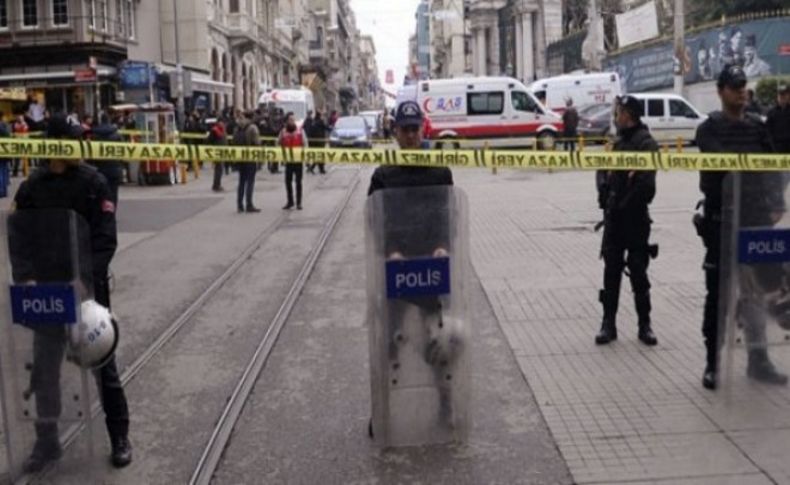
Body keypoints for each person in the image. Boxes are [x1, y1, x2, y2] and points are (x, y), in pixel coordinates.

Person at [12, 114, 132, 471]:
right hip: (46, 293)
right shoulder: (32, 187)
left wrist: (85, 279)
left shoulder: (94, 183)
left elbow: (105, 239)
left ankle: (120, 437)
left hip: (87, 291)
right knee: (43, 372)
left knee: (103, 367)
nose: (80, 145)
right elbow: (18, 236)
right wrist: (25, 277)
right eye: (73, 139)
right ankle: (46, 442)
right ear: (54, 145)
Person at [695, 64, 788, 390]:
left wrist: (778, 202)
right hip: (723, 220)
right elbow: (724, 163)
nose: (740, 92)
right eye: (733, 87)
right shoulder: (709, 129)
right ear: (721, 91)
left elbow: (774, 164)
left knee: (757, 295)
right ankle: (712, 362)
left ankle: (758, 360)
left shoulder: (758, 128)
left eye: (742, 86)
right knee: (718, 295)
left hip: (755, 219)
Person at [367, 100, 456, 424]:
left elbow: (449, 213)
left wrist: (443, 245)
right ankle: (384, 408)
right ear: (394, 132)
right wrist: (389, 251)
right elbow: (374, 220)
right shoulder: (384, 174)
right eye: (403, 129)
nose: (409, 135)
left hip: (430, 269)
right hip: (397, 269)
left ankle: (445, 402)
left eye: (414, 129)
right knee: (388, 338)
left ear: (422, 129)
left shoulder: (439, 170)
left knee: (438, 340)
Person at [594, 95, 659, 346]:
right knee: (611, 272)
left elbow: (646, 185)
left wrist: (624, 200)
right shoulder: (616, 142)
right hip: (614, 219)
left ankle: (645, 324)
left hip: (635, 218)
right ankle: (608, 323)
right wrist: (604, 194)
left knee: (639, 271)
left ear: (629, 114)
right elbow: (602, 171)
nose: (615, 116)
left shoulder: (646, 143)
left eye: (619, 111)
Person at [88, 114, 124, 205]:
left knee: (99, 194)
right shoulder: (117, 134)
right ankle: (111, 214)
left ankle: (103, 214)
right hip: (114, 168)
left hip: (99, 168)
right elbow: (122, 150)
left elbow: (90, 152)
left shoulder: (94, 135)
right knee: (113, 194)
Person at [278, 112, 308, 210]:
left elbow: (305, 144)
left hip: (298, 160)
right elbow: (279, 143)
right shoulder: (283, 132)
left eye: (293, 120)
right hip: (288, 161)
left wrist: (305, 156)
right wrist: (281, 156)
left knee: (298, 182)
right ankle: (290, 201)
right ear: (287, 121)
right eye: (290, 120)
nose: (292, 121)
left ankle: (299, 203)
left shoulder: (300, 131)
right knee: (288, 182)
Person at [233, 111, 261, 213]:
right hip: (250, 158)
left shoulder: (237, 128)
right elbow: (257, 143)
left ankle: (239, 205)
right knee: (250, 182)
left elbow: (234, 142)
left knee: (241, 182)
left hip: (240, 158)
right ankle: (249, 204)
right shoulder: (252, 128)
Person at [766, 85, 790, 154]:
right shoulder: (771, 112)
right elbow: (768, 131)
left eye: (784, 94)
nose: (782, 97)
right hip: (776, 148)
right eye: (780, 94)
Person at [207, 118, 228, 192]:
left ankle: (217, 184)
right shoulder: (215, 130)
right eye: (221, 122)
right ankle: (216, 185)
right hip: (217, 152)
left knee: (220, 169)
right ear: (218, 122)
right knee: (218, 169)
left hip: (222, 152)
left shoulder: (223, 129)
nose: (223, 124)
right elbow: (209, 140)